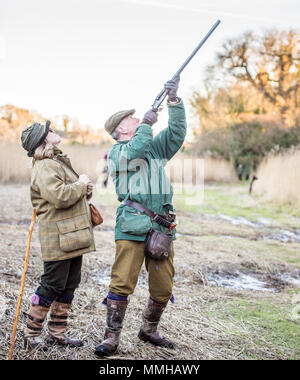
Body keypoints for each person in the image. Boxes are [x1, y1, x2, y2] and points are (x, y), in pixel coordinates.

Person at [95, 76, 186, 357]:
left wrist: (174, 101)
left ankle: (148, 330)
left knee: (163, 287)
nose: (138, 119)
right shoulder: (117, 152)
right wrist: (146, 124)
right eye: (133, 118)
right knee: (122, 281)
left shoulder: (153, 148)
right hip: (132, 224)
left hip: (161, 226)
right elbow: (136, 149)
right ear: (121, 127)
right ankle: (111, 338)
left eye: (138, 118)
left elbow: (176, 133)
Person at [21, 121, 96, 350]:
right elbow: (60, 197)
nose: (54, 132)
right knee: (52, 284)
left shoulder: (56, 161)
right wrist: (81, 185)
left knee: (69, 284)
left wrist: (85, 190)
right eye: (50, 131)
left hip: (72, 236)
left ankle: (57, 333)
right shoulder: (44, 166)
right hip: (58, 237)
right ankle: (30, 334)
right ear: (42, 140)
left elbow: (68, 194)